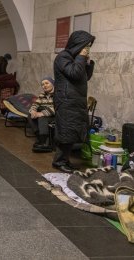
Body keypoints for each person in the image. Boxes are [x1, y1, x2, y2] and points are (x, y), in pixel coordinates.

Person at [52, 30, 95, 173]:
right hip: (66, 101)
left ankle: (64, 159)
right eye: (85, 45)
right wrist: (82, 57)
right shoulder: (63, 57)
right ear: (78, 44)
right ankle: (59, 162)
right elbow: (75, 73)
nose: (87, 48)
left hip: (75, 100)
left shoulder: (76, 58)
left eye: (89, 46)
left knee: (71, 132)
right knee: (65, 131)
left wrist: (87, 62)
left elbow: (84, 77)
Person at [28, 76, 55, 153]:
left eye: (47, 83)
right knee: (30, 116)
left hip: (56, 116)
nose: (44, 86)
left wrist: (41, 113)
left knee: (42, 118)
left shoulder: (58, 94)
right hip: (46, 115)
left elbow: (56, 108)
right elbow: (36, 104)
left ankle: (45, 143)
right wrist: (33, 111)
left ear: (53, 84)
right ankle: (40, 137)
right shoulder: (42, 94)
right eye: (42, 84)